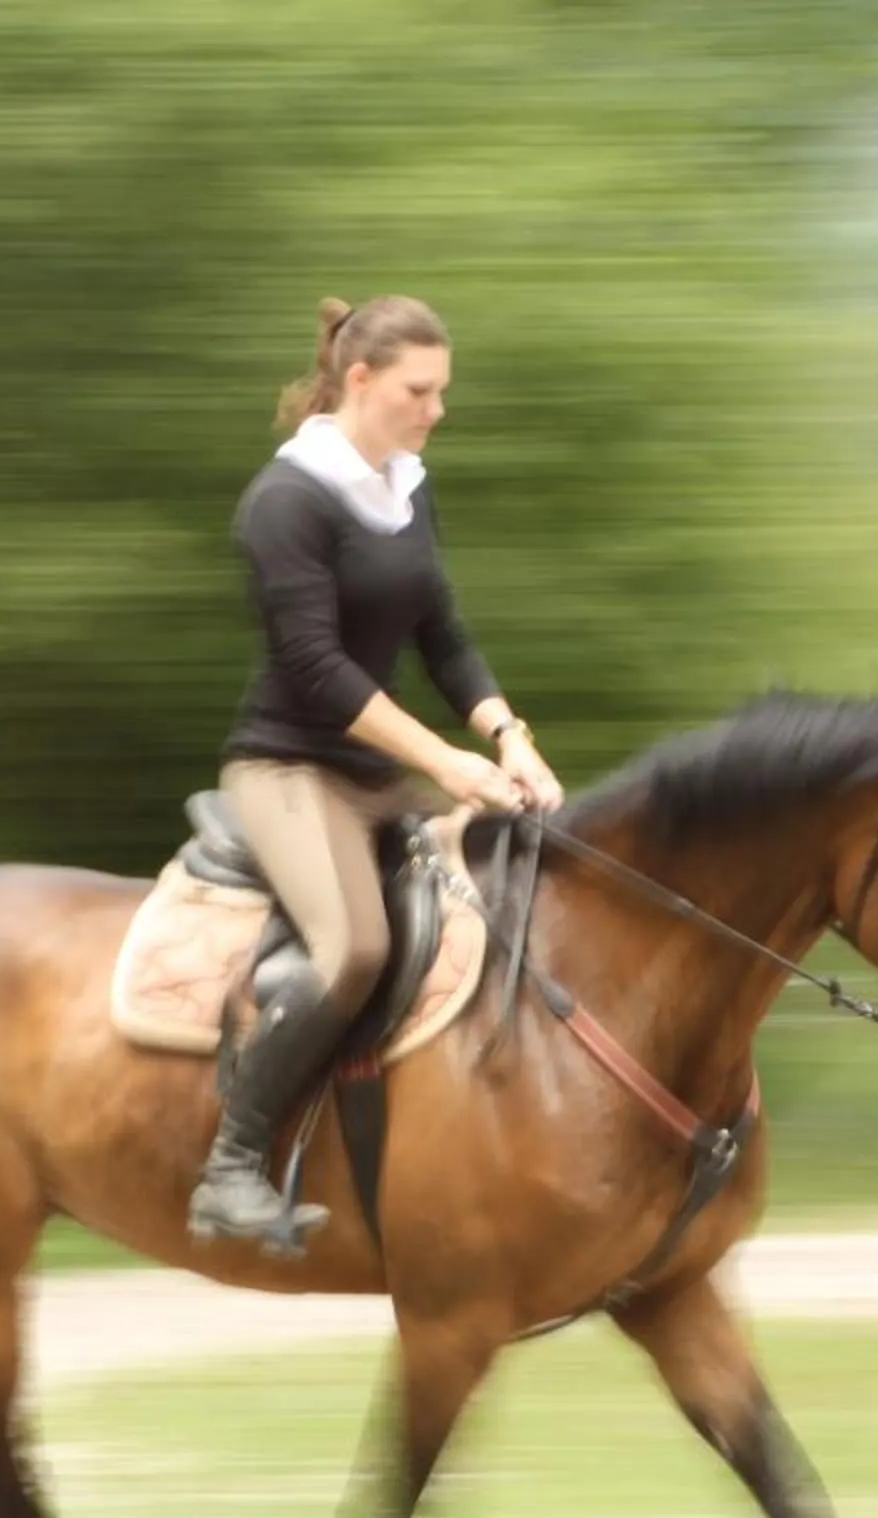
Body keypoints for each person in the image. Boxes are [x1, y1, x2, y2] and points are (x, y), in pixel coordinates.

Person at [187, 293, 565, 1249]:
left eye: (440, 391)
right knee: (352, 949)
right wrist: (447, 761)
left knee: (526, 870)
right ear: (360, 381)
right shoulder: (284, 503)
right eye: (419, 390)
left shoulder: (405, 486)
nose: (437, 409)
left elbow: (442, 634)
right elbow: (317, 670)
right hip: (287, 769)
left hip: (377, 771)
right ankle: (231, 1168)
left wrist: (508, 737)